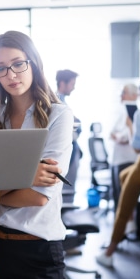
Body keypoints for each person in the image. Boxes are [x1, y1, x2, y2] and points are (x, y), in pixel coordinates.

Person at [0, 31, 73, 279]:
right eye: (1, 68)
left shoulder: (58, 115)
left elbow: (38, 196)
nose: (11, 74)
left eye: (18, 63)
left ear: (33, 63)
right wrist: (25, 175)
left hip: (38, 249)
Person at [96, 79, 140, 267]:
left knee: (122, 207)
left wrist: (129, 128)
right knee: (122, 176)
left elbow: (137, 147)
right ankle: (131, 221)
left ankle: (109, 252)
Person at [109, 83, 138, 213]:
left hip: (127, 158)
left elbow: (129, 134)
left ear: (133, 95)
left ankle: (125, 229)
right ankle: (119, 226)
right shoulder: (121, 108)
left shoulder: (133, 110)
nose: (122, 95)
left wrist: (119, 137)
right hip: (117, 158)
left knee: (123, 195)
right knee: (117, 193)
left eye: (124, 92)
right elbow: (112, 132)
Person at [55, 69, 82, 200]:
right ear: (62, 83)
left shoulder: (62, 102)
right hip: (67, 152)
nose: (74, 87)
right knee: (66, 188)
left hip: (72, 149)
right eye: (72, 83)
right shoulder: (57, 104)